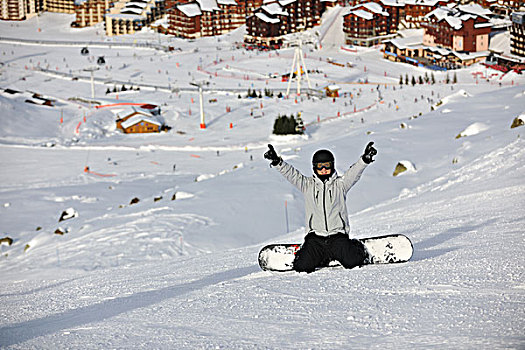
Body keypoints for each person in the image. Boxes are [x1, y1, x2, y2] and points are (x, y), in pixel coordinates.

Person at [264, 142, 377, 273]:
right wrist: (277, 162)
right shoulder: (307, 185)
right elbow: (292, 174)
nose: (323, 169)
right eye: (320, 166)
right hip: (316, 238)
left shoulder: (340, 185)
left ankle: (356, 247)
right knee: (302, 266)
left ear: (332, 165)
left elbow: (354, 173)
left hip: (337, 237)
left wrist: (364, 160)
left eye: (327, 165)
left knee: (353, 262)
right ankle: (318, 256)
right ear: (314, 167)